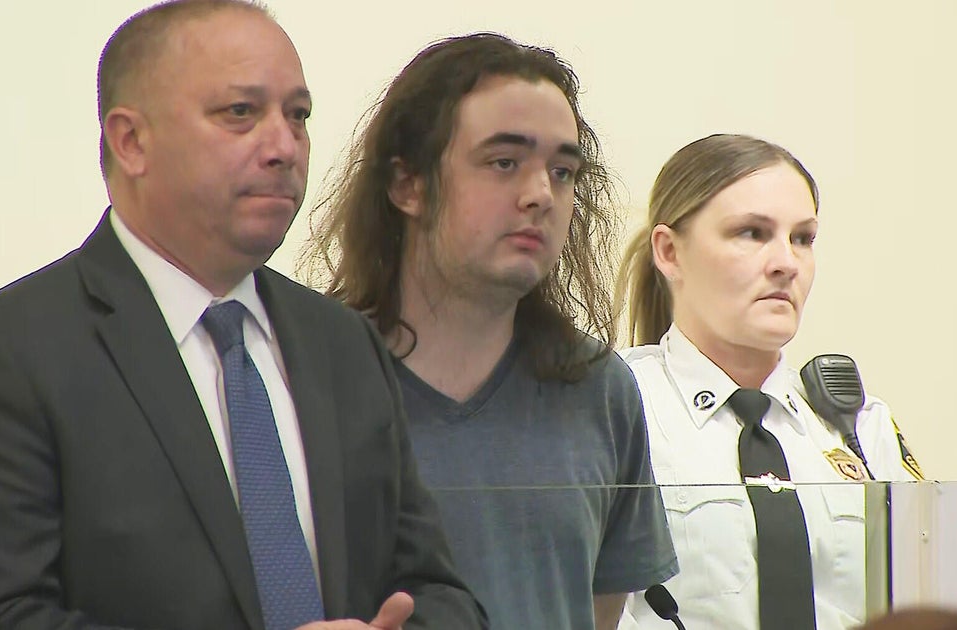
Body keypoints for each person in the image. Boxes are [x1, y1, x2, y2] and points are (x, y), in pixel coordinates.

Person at [0, 2, 485, 629]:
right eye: (240, 113)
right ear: (131, 142)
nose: (284, 147)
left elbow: (439, 592)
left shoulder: (343, 343)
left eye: (298, 115)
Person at [301, 32, 678, 630]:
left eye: (562, 171)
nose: (541, 195)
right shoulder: (306, 381)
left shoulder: (600, 391)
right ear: (407, 185)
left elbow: (598, 612)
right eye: (504, 163)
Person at [614, 134, 925, 630]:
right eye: (752, 233)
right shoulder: (616, 407)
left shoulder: (859, 427)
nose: (786, 263)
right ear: (669, 252)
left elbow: (925, 598)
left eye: (803, 238)